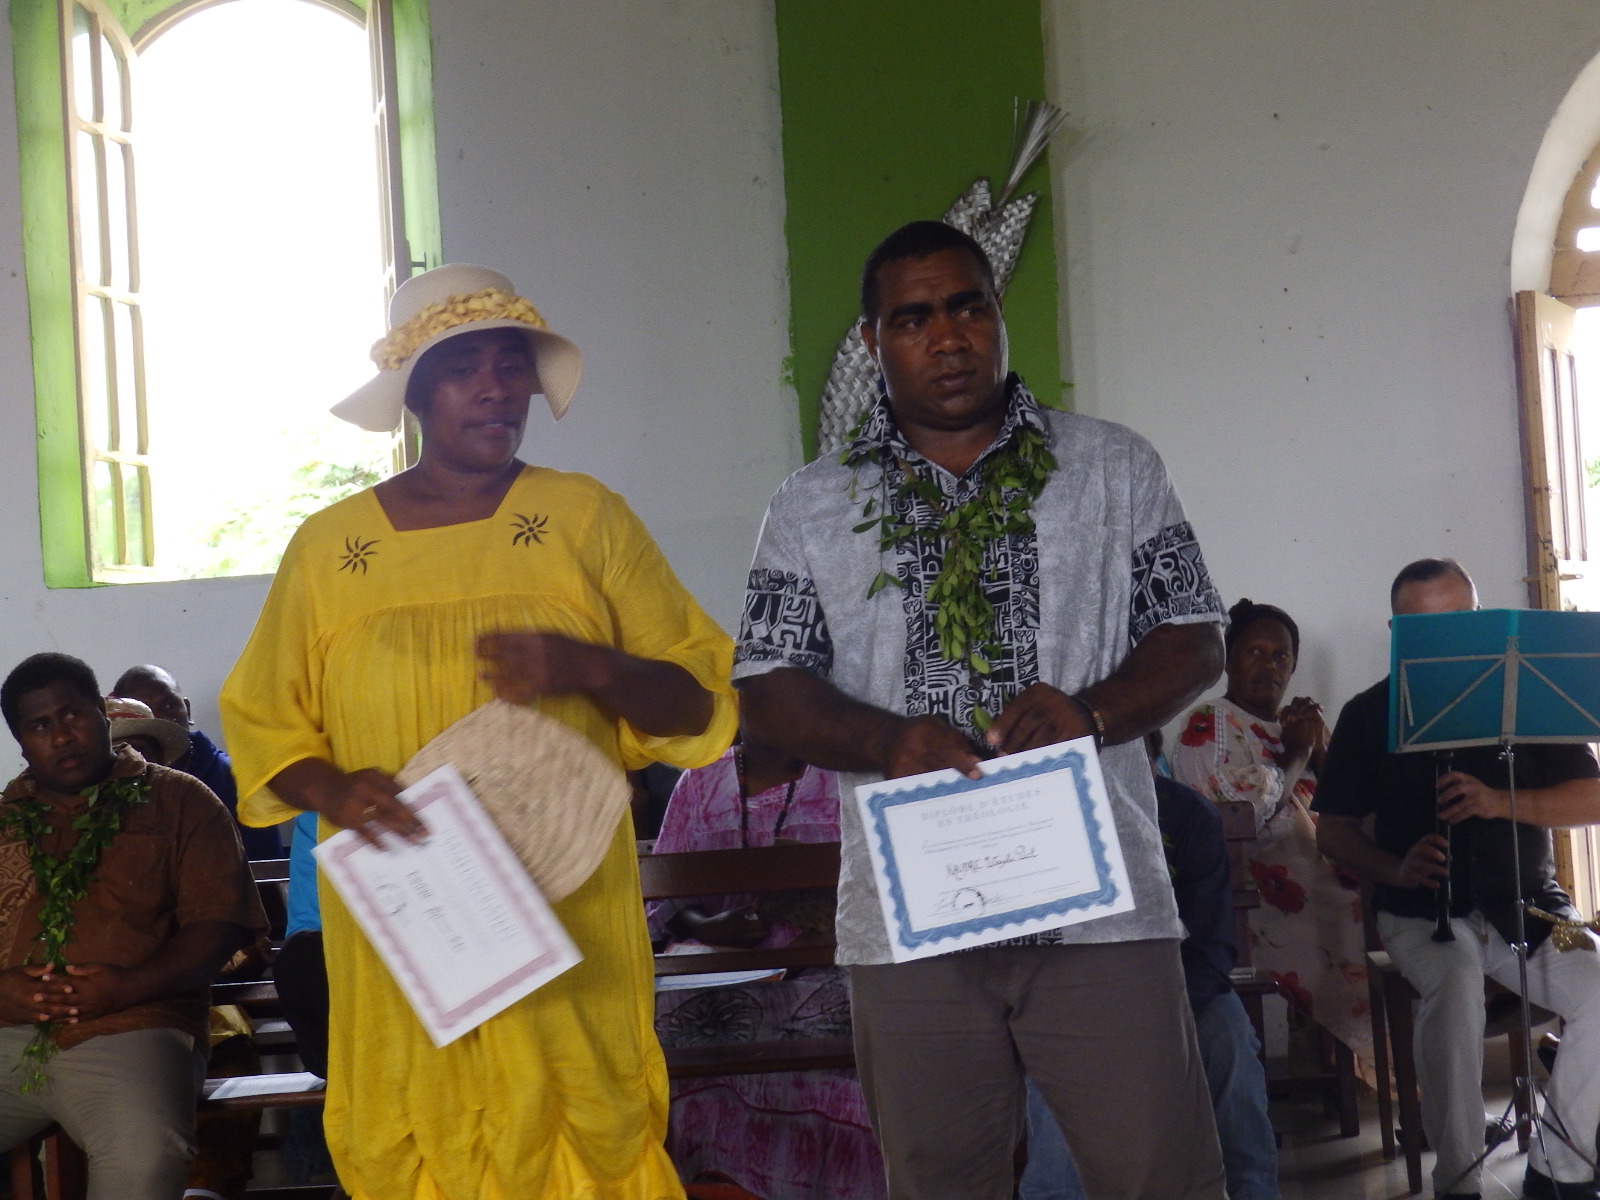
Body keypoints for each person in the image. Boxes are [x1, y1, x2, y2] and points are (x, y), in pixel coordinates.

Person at [219, 263, 737, 1200]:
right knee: (421, 1127)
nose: (498, 386)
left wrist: (594, 669)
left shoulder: (587, 520)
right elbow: (262, 717)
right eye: (466, 368)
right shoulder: (330, 551)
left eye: (513, 364)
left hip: (563, 908)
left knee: (582, 1120)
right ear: (415, 390)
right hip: (409, 915)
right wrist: (333, 791)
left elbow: (700, 703)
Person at [734, 219, 1230, 1200]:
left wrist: (1090, 712)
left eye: (967, 306)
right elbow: (767, 687)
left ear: (998, 317)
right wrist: (885, 737)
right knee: (941, 1182)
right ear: (874, 344)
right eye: (912, 318)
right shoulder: (812, 503)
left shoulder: (1112, 467)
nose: (947, 337)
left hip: (1103, 912)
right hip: (906, 920)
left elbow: (1195, 637)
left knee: (1159, 1177)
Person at [1315, 559, 1600, 1200]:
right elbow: (1333, 831)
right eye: (1424, 629)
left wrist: (1501, 803)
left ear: (1481, 620)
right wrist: (1396, 867)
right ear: (1397, 633)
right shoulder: (1368, 714)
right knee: (1455, 981)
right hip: (1420, 910)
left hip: (1529, 906)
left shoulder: (1529, 699)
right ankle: (1460, 1180)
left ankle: (1561, 1172)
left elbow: (1592, 799)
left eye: (1459, 624)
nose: (1446, 644)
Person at [0, 652, 267, 1200]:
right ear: (22, 743)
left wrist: (126, 985)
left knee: (145, 1157)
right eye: (41, 725)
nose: (62, 735)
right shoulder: (3, 820)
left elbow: (219, 927)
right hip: (7, 1032)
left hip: (132, 1028)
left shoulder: (181, 800)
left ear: (102, 715)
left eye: (72, 715)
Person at [1021, 735, 1279, 1200]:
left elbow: (1213, 950)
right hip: (1073, 1000)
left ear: (1149, 753)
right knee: (1058, 1051)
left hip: (1176, 991)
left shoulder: (1188, 816)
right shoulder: (1043, 814)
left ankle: (1251, 1188)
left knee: (1229, 1036)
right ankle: (1056, 1191)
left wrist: (1155, 1011)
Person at [647, 736, 886, 1200]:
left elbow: (880, 894)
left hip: (829, 967)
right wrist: (716, 925)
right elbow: (669, 907)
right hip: (721, 969)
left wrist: (822, 921)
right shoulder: (699, 783)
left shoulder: (846, 775)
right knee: (668, 1019)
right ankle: (715, 1178)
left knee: (855, 1009)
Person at [1170, 598, 1373, 1080]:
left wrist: (1322, 751)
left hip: (1322, 873)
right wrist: (1299, 751)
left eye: (1281, 655)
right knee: (1363, 913)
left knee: (1395, 899)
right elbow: (1238, 816)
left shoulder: (1294, 724)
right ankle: (1387, 1073)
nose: (1270, 665)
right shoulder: (1208, 721)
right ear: (1227, 659)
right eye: (1254, 652)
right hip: (1253, 893)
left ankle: (1390, 1070)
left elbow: (1349, 807)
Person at [114, 665, 284, 859]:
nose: (161, 718)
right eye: (145, 710)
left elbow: (266, 867)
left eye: (170, 705)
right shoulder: (108, 781)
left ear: (187, 709)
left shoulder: (236, 777)